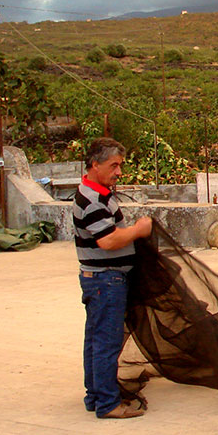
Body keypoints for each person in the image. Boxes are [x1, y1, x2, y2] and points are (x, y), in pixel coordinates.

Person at [74, 137, 153, 418]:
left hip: (100, 280)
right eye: (113, 165)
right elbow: (107, 241)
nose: (119, 172)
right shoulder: (93, 199)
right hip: (105, 281)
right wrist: (139, 230)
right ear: (95, 165)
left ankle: (95, 396)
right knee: (107, 342)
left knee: (96, 339)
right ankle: (108, 404)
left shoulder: (97, 193)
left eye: (120, 165)